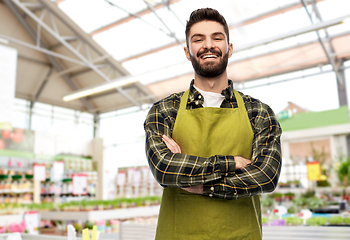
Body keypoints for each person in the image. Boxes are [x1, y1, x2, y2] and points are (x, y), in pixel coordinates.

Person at [144, 8, 282, 240]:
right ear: (188, 52)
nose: (208, 45)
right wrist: (234, 163)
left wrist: (198, 186)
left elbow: (266, 176)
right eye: (199, 39)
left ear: (229, 47)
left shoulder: (258, 112)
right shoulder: (164, 110)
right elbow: (165, 168)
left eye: (217, 38)